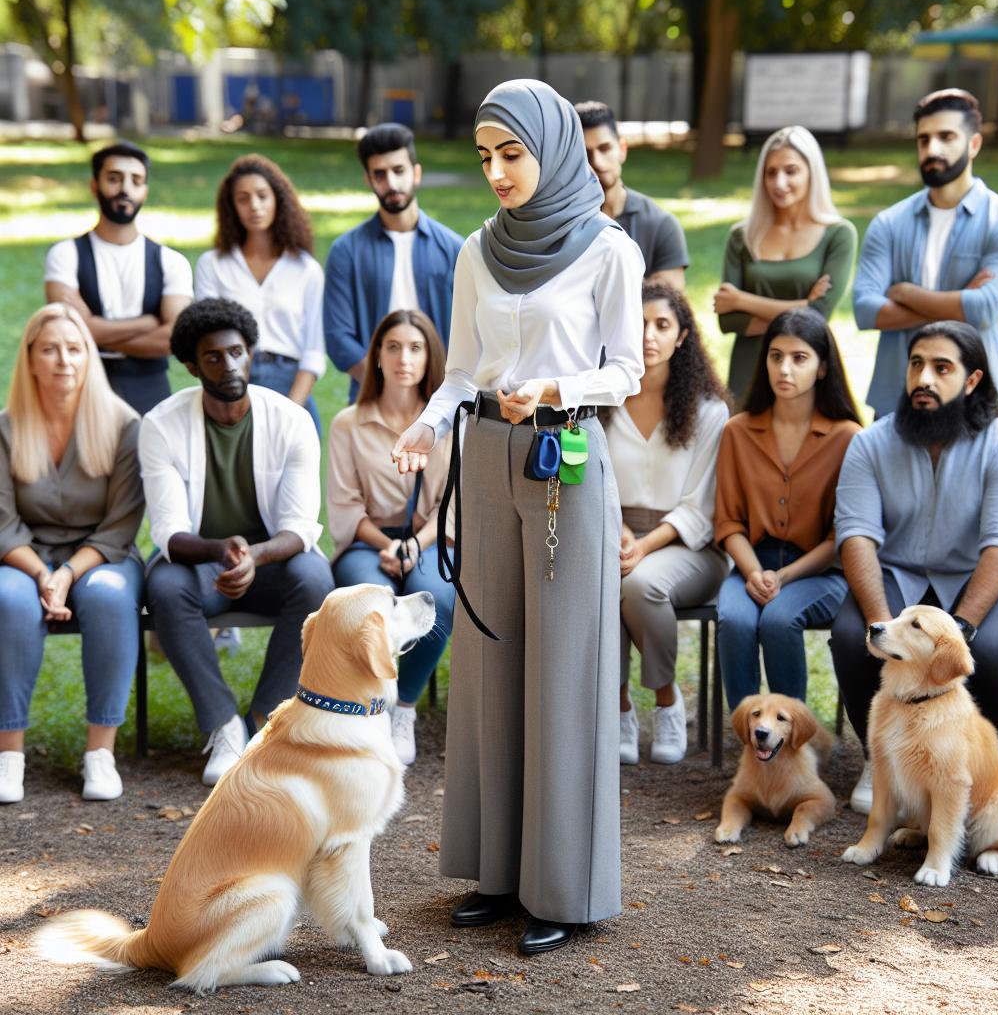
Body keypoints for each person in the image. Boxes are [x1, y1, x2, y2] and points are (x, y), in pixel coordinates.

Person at [391, 79, 644, 955]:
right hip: (487, 457)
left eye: (513, 154)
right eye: (486, 156)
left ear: (554, 149)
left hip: (567, 460)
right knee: (492, 661)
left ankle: (564, 888)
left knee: (565, 669)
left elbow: (627, 371)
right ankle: (499, 873)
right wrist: (425, 427)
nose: (497, 172)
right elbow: (461, 371)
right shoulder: (473, 251)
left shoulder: (609, 249)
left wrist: (556, 388)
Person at [829, 320, 998, 814]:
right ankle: (882, 758)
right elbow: (855, 537)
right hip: (898, 575)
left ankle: (982, 770)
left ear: (973, 380)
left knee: (997, 650)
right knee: (854, 635)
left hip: (980, 577)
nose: (924, 380)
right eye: (917, 365)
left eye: (942, 368)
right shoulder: (870, 444)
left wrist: (959, 629)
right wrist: (881, 627)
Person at [140, 298, 334, 787]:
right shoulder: (161, 425)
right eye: (213, 357)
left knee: (315, 578)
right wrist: (220, 550)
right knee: (164, 585)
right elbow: (167, 532)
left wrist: (255, 555)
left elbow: (301, 525)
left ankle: (265, 726)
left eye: (237, 352)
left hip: (270, 561)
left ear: (250, 352)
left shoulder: (291, 420)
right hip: (202, 562)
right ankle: (222, 726)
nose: (229, 365)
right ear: (190, 365)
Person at [0, 304, 144, 804]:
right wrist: (44, 574)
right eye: (50, 349)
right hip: (22, 556)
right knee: (9, 601)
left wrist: (68, 574)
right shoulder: (6, 427)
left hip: (102, 556)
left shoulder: (124, 425)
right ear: (31, 360)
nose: (64, 360)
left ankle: (100, 753)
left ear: (89, 357)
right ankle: (9, 754)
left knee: (107, 597)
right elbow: (2, 522)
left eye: (75, 348)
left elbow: (122, 524)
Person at [605, 284, 730, 766]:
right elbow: (592, 481)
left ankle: (666, 699)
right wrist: (617, 533)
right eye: (637, 325)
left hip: (689, 545)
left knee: (638, 585)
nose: (648, 336)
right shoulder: (602, 402)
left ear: (681, 337)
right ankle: (616, 710)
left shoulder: (708, 412)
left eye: (661, 325)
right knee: (599, 581)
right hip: (614, 534)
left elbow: (701, 507)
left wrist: (644, 545)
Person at [714, 308, 861, 712]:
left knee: (779, 620)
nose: (785, 369)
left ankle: (791, 740)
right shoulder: (737, 432)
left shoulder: (849, 438)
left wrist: (785, 576)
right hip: (752, 563)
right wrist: (755, 573)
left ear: (823, 368)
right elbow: (728, 522)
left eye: (799, 358)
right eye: (776, 356)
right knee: (736, 620)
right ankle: (750, 738)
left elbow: (842, 537)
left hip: (821, 571)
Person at [327, 308, 455, 766]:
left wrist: (414, 546)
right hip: (367, 541)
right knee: (369, 602)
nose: (404, 358)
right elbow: (344, 506)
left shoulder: (449, 424)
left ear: (430, 358)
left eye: (416, 348)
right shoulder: (348, 423)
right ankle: (368, 707)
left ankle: (401, 707)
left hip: (431, 540)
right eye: (393, 347)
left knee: (437, 599)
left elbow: (453, 506)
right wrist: (387, 547)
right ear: (377, 357)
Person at [853, 89, 998, 419]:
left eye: (946, 137)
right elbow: (864, 310)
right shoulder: (888, 223)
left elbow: (985, 309)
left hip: (972, 402)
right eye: (923, 139)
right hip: (897, 401)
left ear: (974, 144)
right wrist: (959, 303)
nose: (932, 149)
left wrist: (906, 294)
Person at [44, 141, 193, 415]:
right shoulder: (66, 255)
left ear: (144, 191)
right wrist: (149, 322)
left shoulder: (172, 262)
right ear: (94, 185)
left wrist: (92, 329)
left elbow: (173, 339)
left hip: (150, 387)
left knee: (149, 458)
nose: (125, 189)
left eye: (135, 181)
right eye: (114, 179)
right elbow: (66, 330)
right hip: (83, 384)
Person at [713, 126, 856, 403]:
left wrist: (742, 299)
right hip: (748, 368)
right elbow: (728, 319)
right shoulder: (742, 237)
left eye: (791, 171)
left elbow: (818, 316)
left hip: (805, 369)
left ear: (811, 173)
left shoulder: (839, 234)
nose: (779, 182)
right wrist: (801, 306)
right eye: (771, 172)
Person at [323, 123, 464, 402]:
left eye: (398, 171)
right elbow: (338, 338)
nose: (391, 183)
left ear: (416, 173)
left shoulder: (454, 249)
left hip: (441, 402)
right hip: (371, 401)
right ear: (368, 179)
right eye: (380, 174)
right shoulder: (346, 252)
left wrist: (436, 390)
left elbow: (470, 335)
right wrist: (385, 386)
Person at [195, 154, 326, 434]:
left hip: (292, 388)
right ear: (232, 206)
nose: (254, 206)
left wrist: (291, 411)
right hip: (231, 384)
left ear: (278, 200)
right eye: (243, 198)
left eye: (262, 196)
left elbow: (313, 352)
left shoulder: (305, 269)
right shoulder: (213, 265)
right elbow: (206, 341)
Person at [574, 100, 689, 292]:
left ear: (622, 149)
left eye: (604, 148)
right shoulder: (555, 225)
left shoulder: (660, 224)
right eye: (586, 154)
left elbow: (669, 302)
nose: (597, 162)